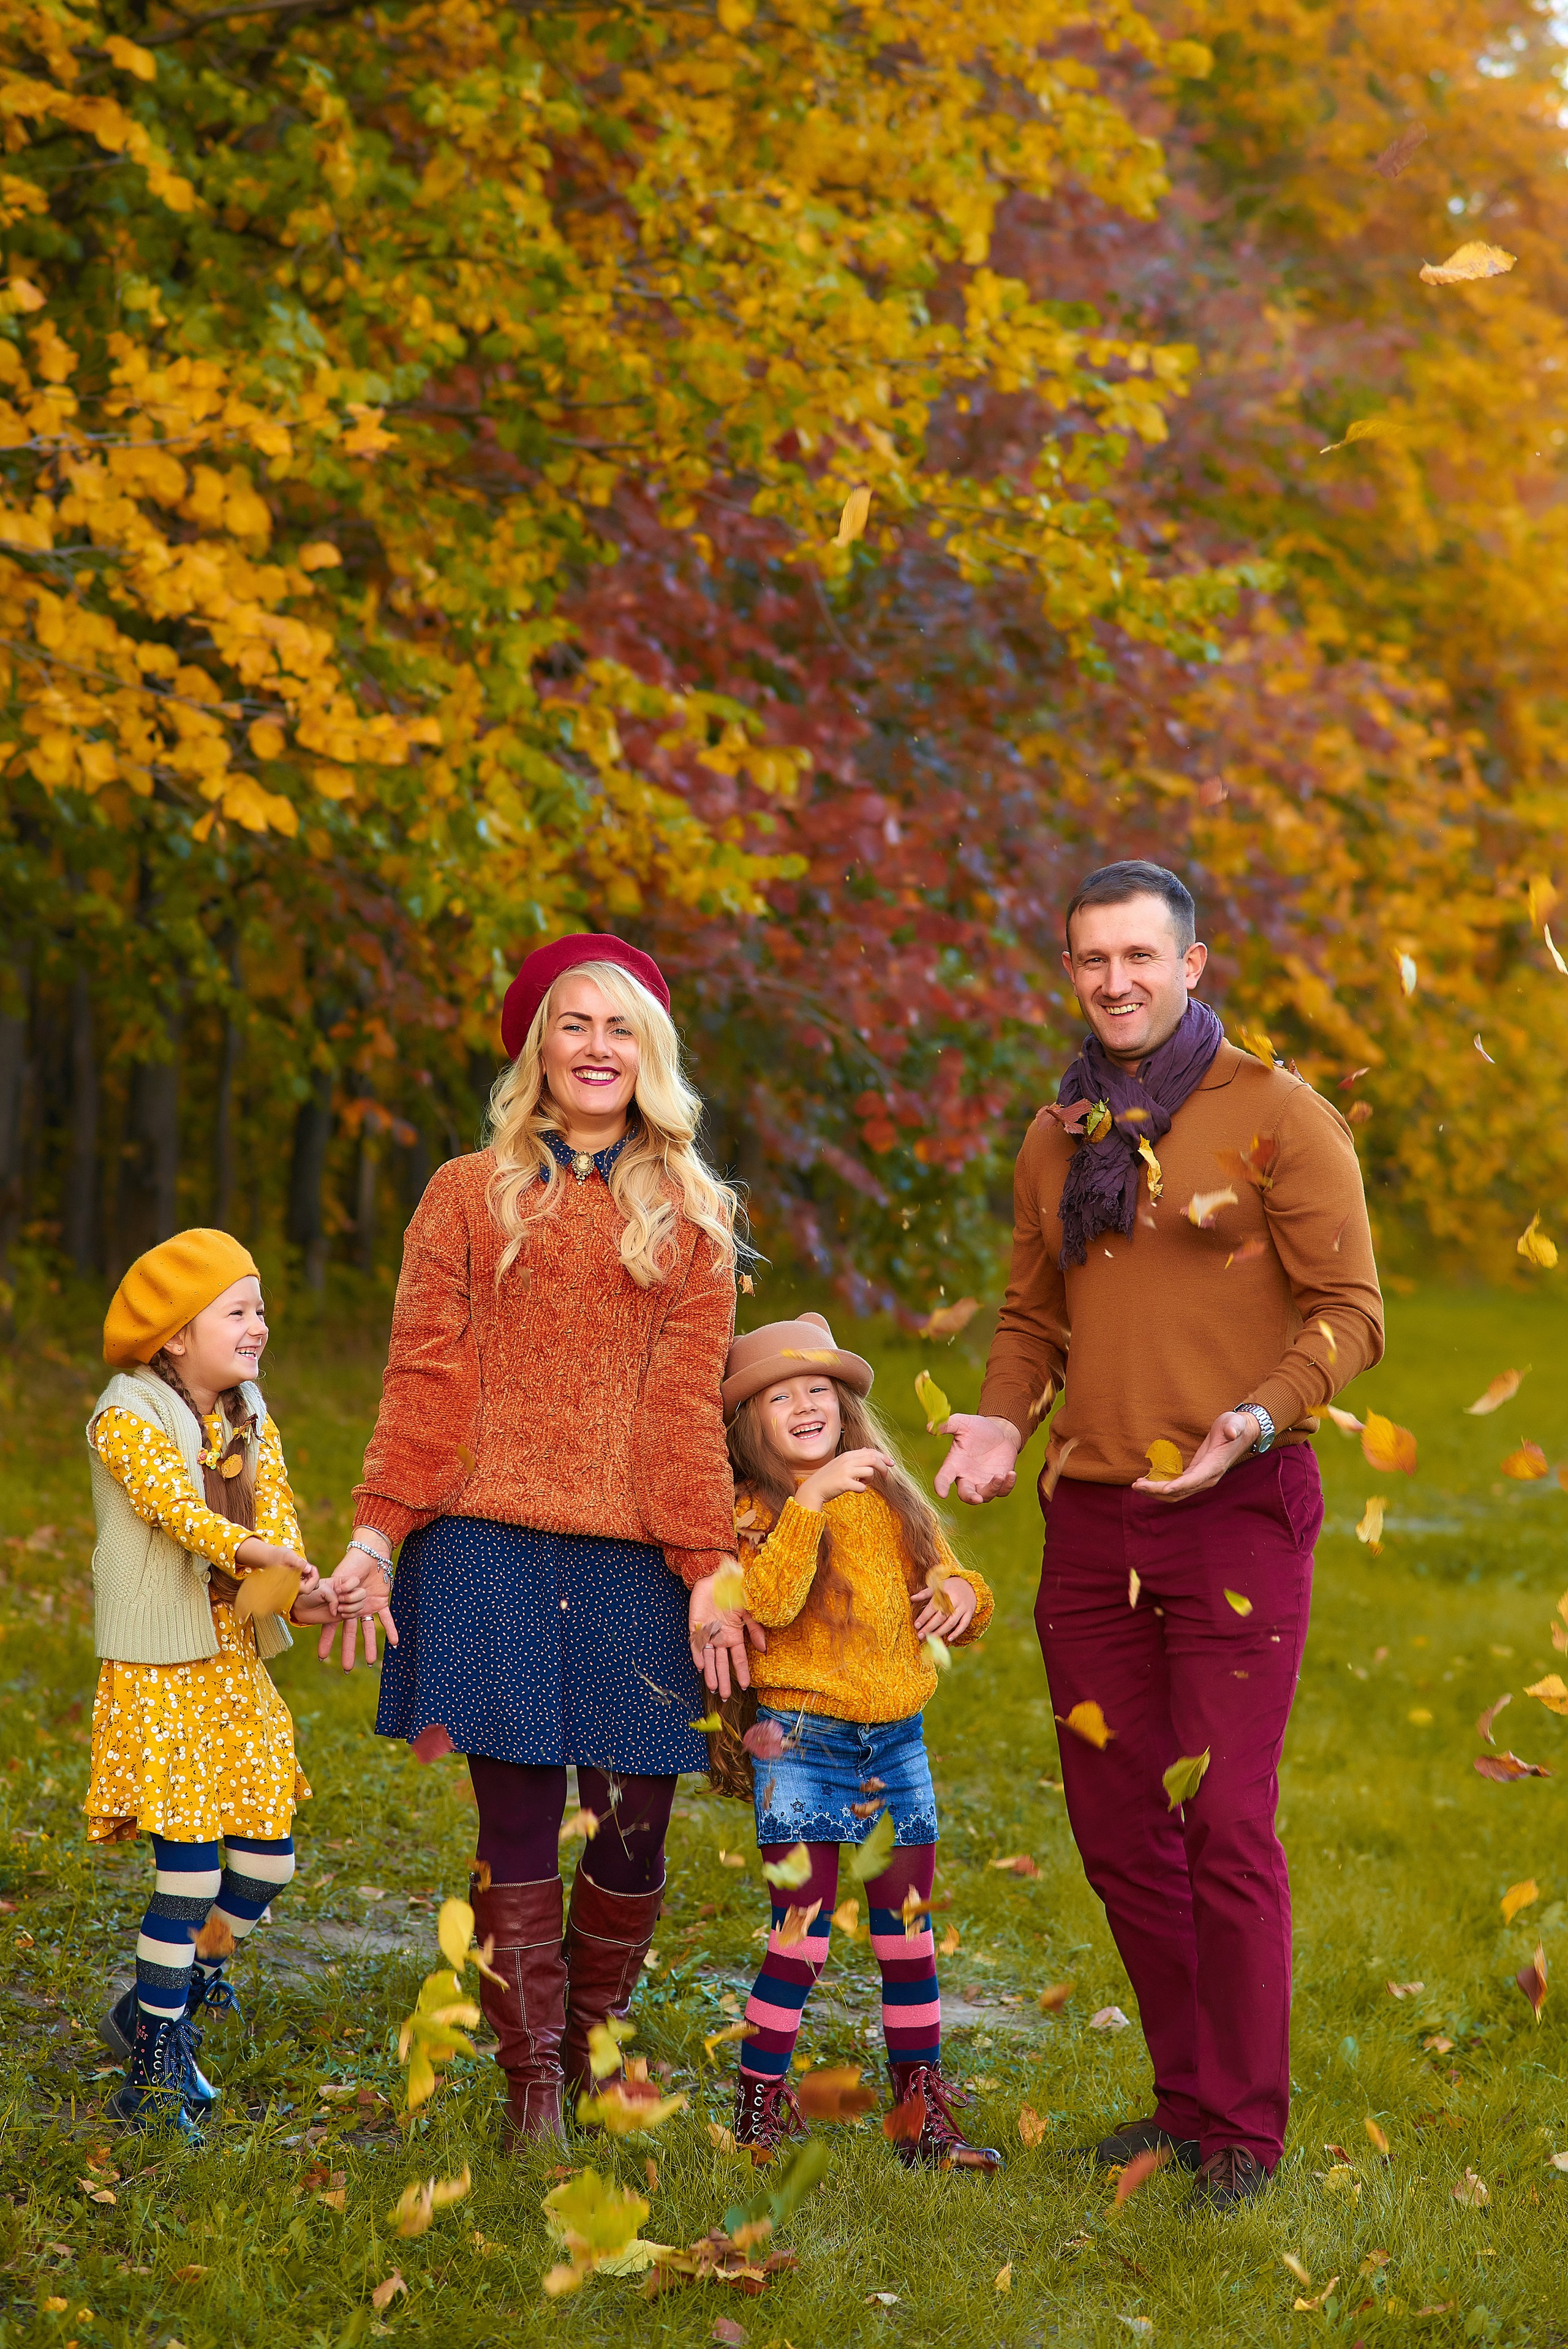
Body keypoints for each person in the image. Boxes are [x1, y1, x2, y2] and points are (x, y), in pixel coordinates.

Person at [937, 860, 1383, 2211]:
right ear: (1070, 970)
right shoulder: (1058, 1130)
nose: (1115, 980)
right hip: (1090, 1528)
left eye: (1140, 955)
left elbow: (1349, 1311)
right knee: (1121, 1823)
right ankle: (1185, 2105)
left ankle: (1241, 2139)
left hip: (1237, 1511)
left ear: (1194, 962)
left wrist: (1251, 1422)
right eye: (1091, 960)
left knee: (1224, 1821)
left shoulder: (1275, 1115)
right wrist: (1001, 1420)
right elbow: (1031, 1321)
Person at [325, 933, 754, 2143]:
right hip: (481, 1549)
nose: (597, 1048)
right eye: (574, 1024)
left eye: (621, 1029)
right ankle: (530, 2089)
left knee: (631, 1825)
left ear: (650, 1055)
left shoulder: (693, 1215)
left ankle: (591, 2046)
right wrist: (372, 1534)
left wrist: (710, 1564)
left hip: (629, 1558)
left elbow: (682, 1413)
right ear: (538, 1048)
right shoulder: (465, 1193)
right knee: (513, 1819)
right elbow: (421, 1382)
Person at [719, 1312, 1000, 2173]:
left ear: (844, 1404)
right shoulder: (754, 1512)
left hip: (895, 1748)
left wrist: (959, 1594)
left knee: (907, 1936)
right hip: (802, 1745)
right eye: (780, 1397)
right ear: (749, 1423)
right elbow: (763, 1606)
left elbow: (955, 1577)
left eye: (818, 1391)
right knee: (799, 1938)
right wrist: (808, 1502)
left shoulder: (887, 1502)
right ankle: (759, 2106)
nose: (805, 1405)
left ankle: (922, 2109)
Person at [85, 1229, 333, 2139]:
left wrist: (311, 1591)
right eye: (239, 1309)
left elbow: (279, 1528)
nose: (259, 1324)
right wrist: (251, 1549)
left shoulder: (252, 1417)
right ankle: (150, 2063)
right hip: (161, 1671)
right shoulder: (129, 1414)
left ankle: (171, 1991)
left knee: (268, 1858)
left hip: (232, 1666)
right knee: (186, 1875)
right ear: (176, 1333)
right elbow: (173, 1510)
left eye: (262, 1306)